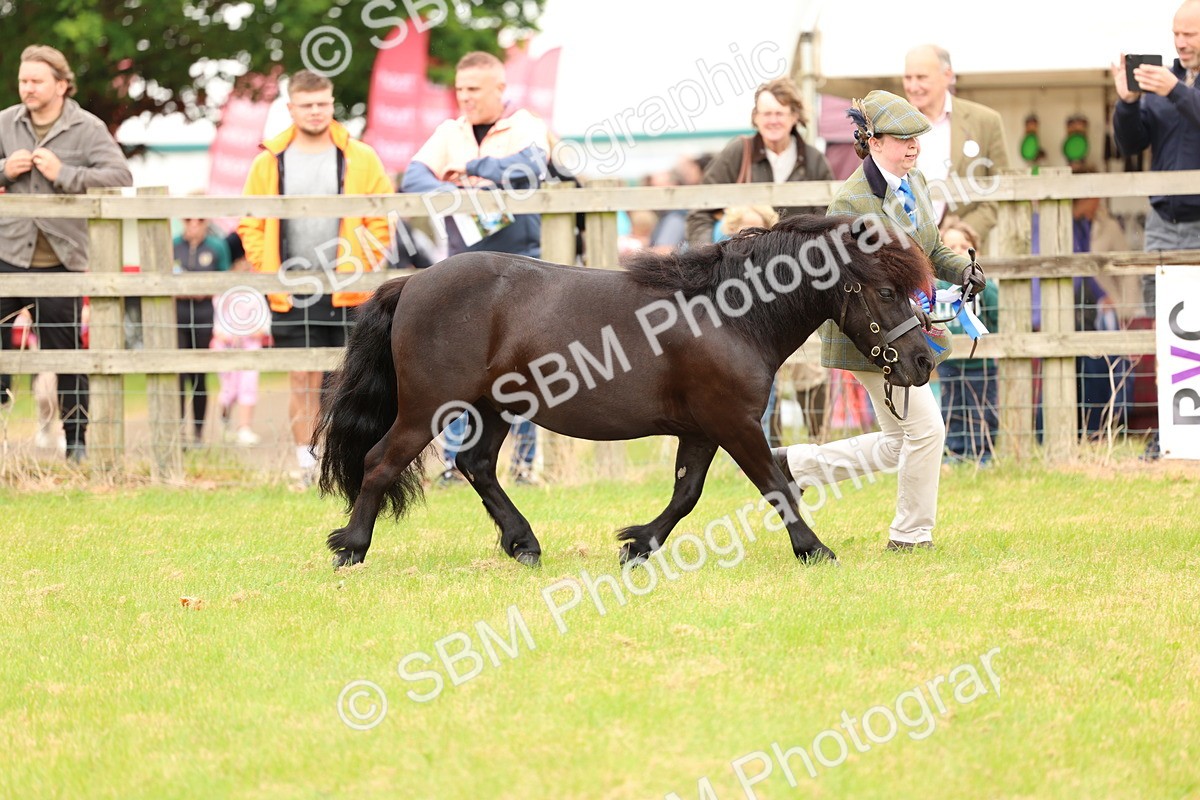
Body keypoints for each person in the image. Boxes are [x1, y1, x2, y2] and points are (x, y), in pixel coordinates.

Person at [773, 90, 984, 552]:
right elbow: (857, 284)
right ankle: (910, 537)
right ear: (872, 141)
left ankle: (795, 466)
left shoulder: (918, 182)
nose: (913, 147)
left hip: (905, 327)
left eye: (917, 138)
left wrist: (960, 270)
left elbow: (927, 251)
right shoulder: (851, 202)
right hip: (871, 334)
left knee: (898, 442)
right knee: (926, 431)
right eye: (902, 138)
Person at [401, 51, 551, 487]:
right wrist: (452, 188)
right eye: (460, 89)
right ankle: (453, 465)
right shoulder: (449, 130)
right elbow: (413, 177)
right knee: (456, 368)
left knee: (527, 370)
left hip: (523, 267)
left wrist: (472, 169)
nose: (465, 98)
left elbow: (530, 169)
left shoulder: (524, 123)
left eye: (474, 90)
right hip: (464, 273)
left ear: (499, 89)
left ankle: (524, 465)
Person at [239, 69, 393, 486]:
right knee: (301, 377)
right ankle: (305, 465)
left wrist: (360, 262)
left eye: (322, 103)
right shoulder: (268, 161)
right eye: (306, 105)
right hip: (291, 289)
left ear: (332, 103)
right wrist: (268, 272)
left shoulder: (361, 156)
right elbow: (251, 223)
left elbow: (381, 220)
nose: (315, 111)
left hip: (348, 287)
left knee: (351, 379)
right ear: (291, 108)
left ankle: (349, 465)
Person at [0, 44, 133, 462]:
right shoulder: (5, 122)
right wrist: (4, 170)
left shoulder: (88, 128)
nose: (27, 88)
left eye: (36, 81)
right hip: (6, 254)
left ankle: (76, 442)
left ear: (61, 84)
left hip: (62, 261)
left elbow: (120, 174)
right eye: (23, 80)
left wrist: (66, 174)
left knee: (68, 355)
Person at [1111, 0, 1200, 459]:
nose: (1181, 42)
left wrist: (1177, 92)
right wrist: (1127, 103)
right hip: (1164, 224)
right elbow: (1130, 142)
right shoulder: (1162, 80)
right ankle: (1172, 434)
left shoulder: (1173, 85)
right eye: (1177, 33)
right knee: (1165, 328)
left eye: (1191, 34)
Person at [685, 77, 833, 247]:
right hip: (742, 262)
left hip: (797, 261)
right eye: (766, 114)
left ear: (794, 116)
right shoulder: (738, 152)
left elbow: (827, 218)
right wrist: (708, 254)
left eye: (780, 113)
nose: (773, 121)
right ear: (755, 117)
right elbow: (700, 211)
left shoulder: (814, 160)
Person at [902, 45, 1011, 244]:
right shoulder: (891, 124)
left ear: (947, 75)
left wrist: (962, 232)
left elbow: (1000, 191)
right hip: (908, 252)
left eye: (921, 77)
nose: (913, 86)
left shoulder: (986, 122)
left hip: (964, 252)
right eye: (908, 78)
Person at [936, 218, 999, 463]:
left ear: (976, 252)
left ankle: (982, 453)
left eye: (964, 247)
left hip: (981, 365)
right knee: (952, 407)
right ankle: (955, 452)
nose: (958, 252)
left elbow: (997, 319)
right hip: (950, 363)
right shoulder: (939, 289)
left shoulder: (987, 289)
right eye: (950, 248)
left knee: (982, 408)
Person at [173, 214, 231, 447]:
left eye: (199, 219)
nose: (194, 224)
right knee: (177, 375)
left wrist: (204, 289)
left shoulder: (217, 246)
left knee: (199, 376)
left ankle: (197, 432)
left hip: (205, 315)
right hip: (176, 316)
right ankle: (177, 432)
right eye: (187, 219)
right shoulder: (174, 245)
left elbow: (226, 280)